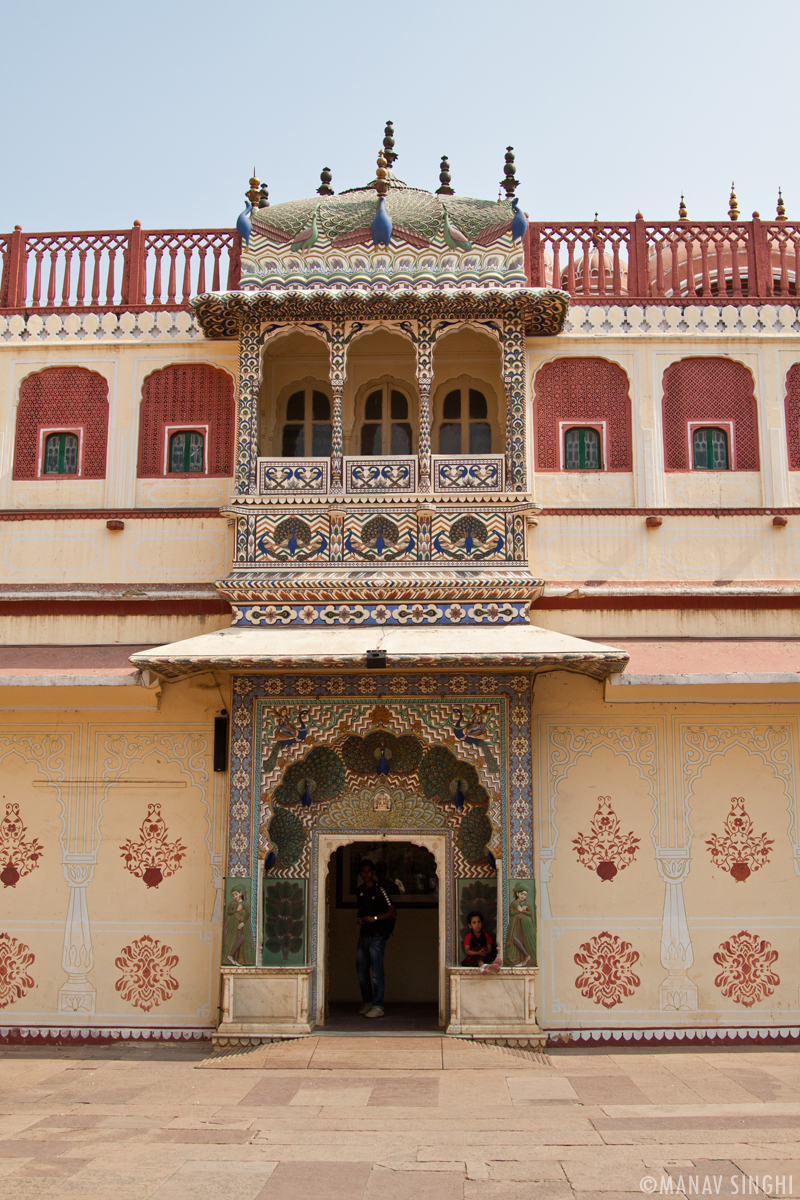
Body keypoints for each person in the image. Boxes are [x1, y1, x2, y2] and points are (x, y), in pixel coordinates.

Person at [355, 858, 396, 1019]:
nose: (366, 874)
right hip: (364, 935)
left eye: (368, 871)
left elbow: (393, 911)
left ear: (373, 873)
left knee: (377, 972)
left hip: (377, 937)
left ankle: (378, 1005)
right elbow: (360, 911)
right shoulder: (360, 891)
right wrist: (360, 919)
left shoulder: (380, 890)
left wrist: (375, 918)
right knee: (362, 971)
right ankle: (368, 1002)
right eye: (363, 871)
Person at [504, 886, 536, 967]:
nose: (523, 896)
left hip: (525, 924)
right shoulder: (514, 903)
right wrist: (518, 911)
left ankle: (527, 958)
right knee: (513, 938)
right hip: (515, 924)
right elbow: (511, 913)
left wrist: (523, 911)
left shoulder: (527, 904)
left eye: (525, 895)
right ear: (517, 894)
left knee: (525, 939)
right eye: (522, 894)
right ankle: (522, 957)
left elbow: (530, 914)